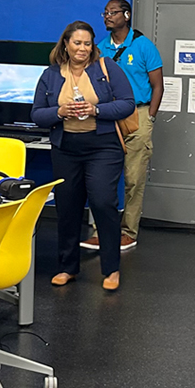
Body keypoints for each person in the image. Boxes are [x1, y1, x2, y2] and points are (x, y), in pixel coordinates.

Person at [32, 20, 134, 291]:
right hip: (66, 148)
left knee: (102, 202)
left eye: (87, 43)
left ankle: (111, 269)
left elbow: (127, 104)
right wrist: (59, 112)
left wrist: (96, 110)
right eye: (77, 43)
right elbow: (36, 114)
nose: (82, 48)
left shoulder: (106, 68)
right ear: (65, 44)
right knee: (67, 208)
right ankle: (67, 267)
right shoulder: (51, 75)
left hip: (103, 147)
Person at [81, 0, 164, 252]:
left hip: (138, 114)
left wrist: (149, 116)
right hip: (107, 116)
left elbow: (158, 85)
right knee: (102, 179)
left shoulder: (143, 46)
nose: (107, 16)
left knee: (134, 179)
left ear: (126, 15)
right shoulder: (100, 48)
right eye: (105, 12)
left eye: (113, 12)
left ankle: (128, 232)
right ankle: (101, 232)